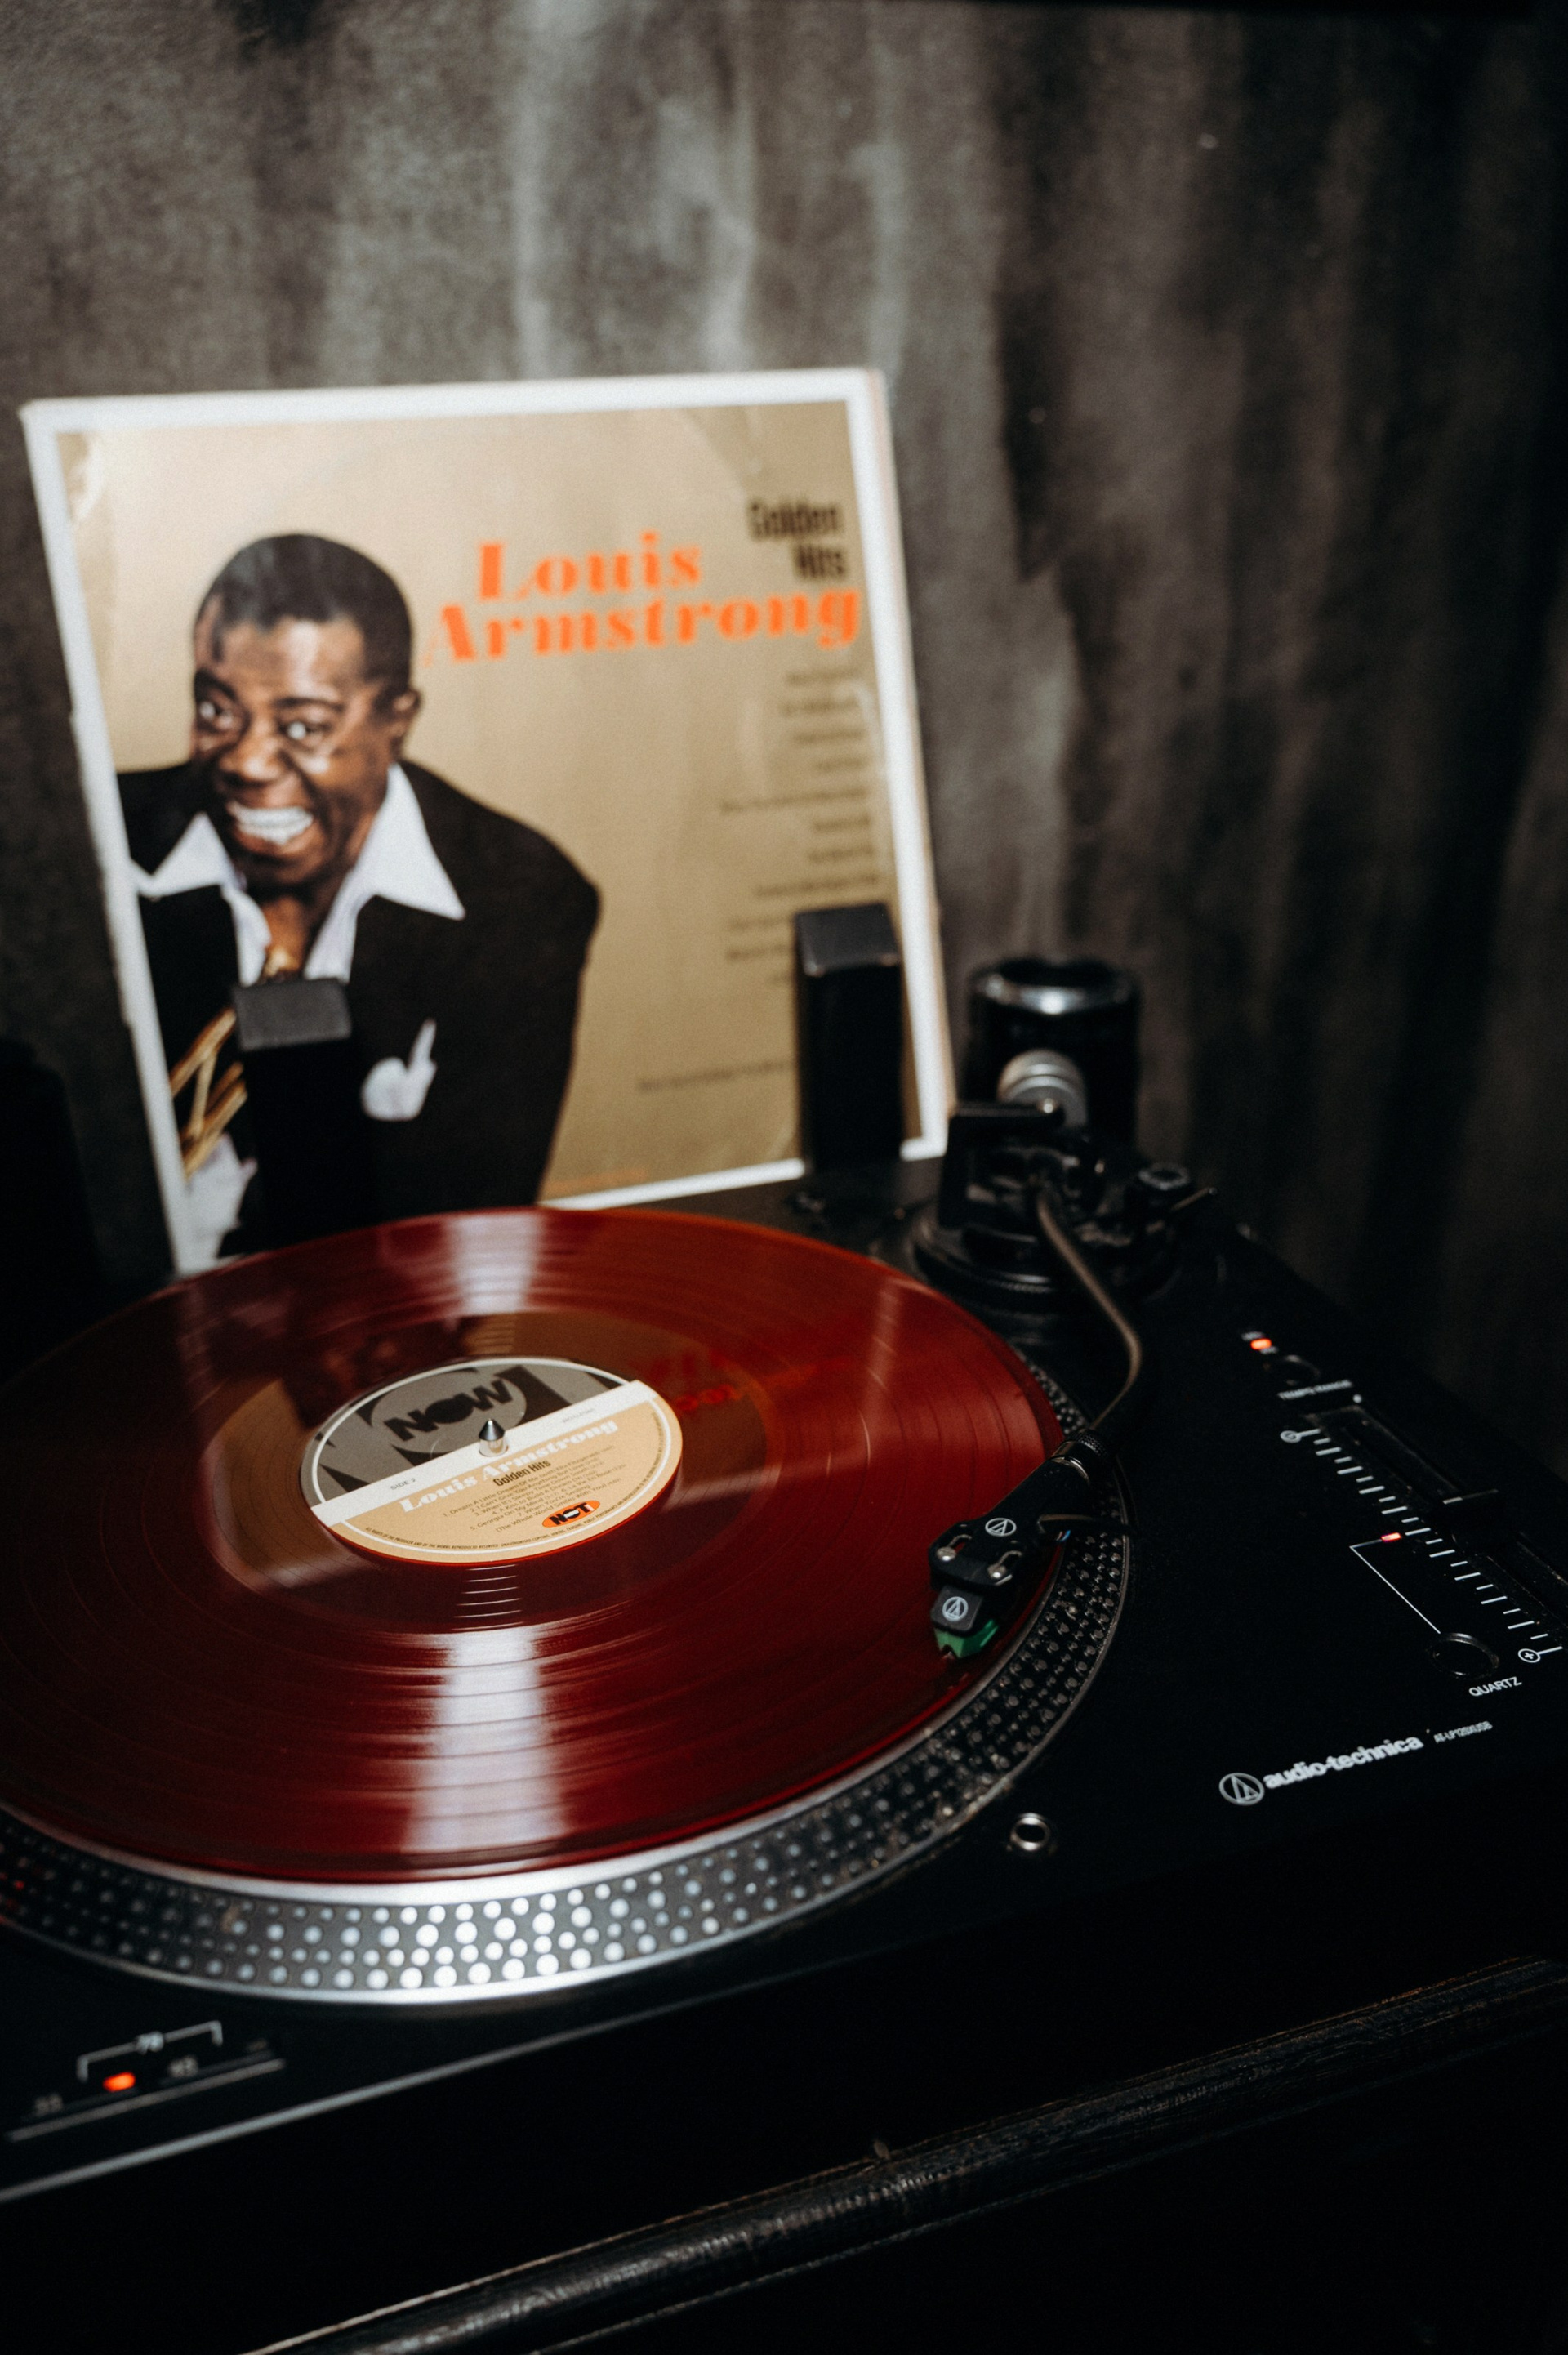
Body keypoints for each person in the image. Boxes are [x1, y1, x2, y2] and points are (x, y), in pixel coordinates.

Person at [119, 534, 599, 1256]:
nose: (248, 761)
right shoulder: (98, 847)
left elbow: (476, 1218)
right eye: (217, 711)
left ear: (397, 719)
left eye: (303, 726)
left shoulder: (520, 897)